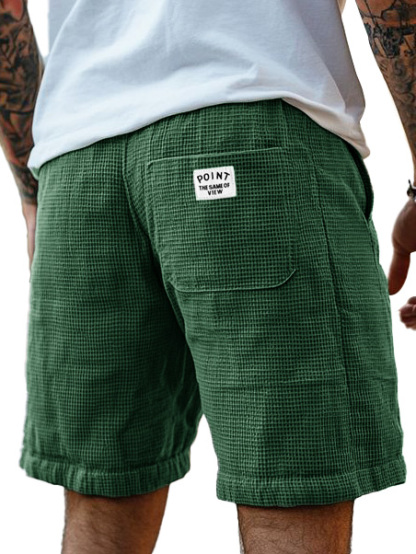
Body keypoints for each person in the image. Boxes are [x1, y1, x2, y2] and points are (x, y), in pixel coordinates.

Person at [0, 0, 412, 552]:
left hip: (77, 166)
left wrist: (34, 193)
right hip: (250, 121)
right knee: (293, 489)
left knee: (102, 499)